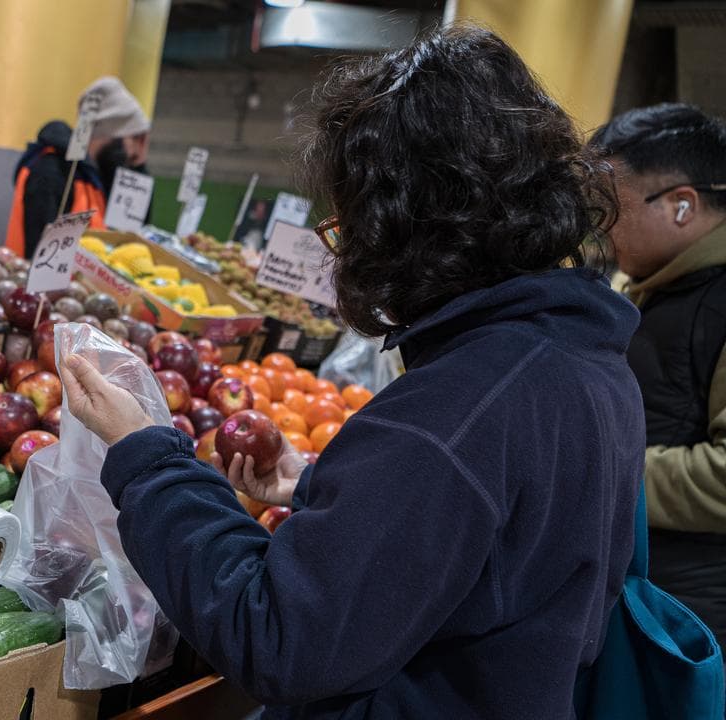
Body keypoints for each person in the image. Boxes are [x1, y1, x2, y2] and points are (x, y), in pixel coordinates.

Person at [60, 26, 642, 718]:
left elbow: (277, 636)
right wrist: (317, 484)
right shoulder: (587, 361)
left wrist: (147, 455)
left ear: (404, 221)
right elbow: (482, 545)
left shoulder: (456, 412)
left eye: (349, 222)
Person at [591, 104, 726, 649]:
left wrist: (601, 465)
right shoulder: (652, 286)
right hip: (643, 595)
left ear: (681, 206)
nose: (600, 227)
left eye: (613, 209)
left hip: (693, 622)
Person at [5, 76, 150, 258]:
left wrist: (139, 166)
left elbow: (133, 235)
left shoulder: (97, 177)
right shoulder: (51, 171)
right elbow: (42, 258)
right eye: (134, 138)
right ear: (114, 135)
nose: (135, 151)